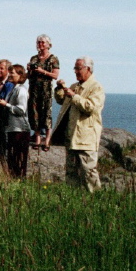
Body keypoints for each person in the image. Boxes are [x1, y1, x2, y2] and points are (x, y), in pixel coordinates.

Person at [50, 57, 105, 192]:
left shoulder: (96, 87)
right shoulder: (75, 86)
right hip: (71, 135)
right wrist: (59, 89)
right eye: (75, 68)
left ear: (88, 69)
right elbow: (61, 101)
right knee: (71, 170)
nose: (75, 72)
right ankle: (73, 197)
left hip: (86, 137)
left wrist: (74, 96)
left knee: (88, 170)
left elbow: (90, 107)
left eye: (78, 68)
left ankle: (95, 197)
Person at [0, 65, 31, 178]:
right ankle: (13, 179)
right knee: (12, 158)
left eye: (13, 73)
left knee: (19, 158)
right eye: (10, 73)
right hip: (12, 128)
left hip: (20, 128)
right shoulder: (14, 89)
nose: (10, 75)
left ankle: (19, 180)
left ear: (20, 75)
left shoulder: (21, 90)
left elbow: (21, 109)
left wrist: (6, 104)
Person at [27, 34, 60, 151]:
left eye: (42, 42)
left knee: (46, 114)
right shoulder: (34, 58)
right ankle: (37, 138)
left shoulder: (53, 59)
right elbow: (28, 76)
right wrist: (29, 70)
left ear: (48, 45)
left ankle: (46, 140)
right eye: (38, 42)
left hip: (45, 91)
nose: (40, 44)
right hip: (34, 90)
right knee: (34, 113)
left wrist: (43, 71)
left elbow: (55, 76)